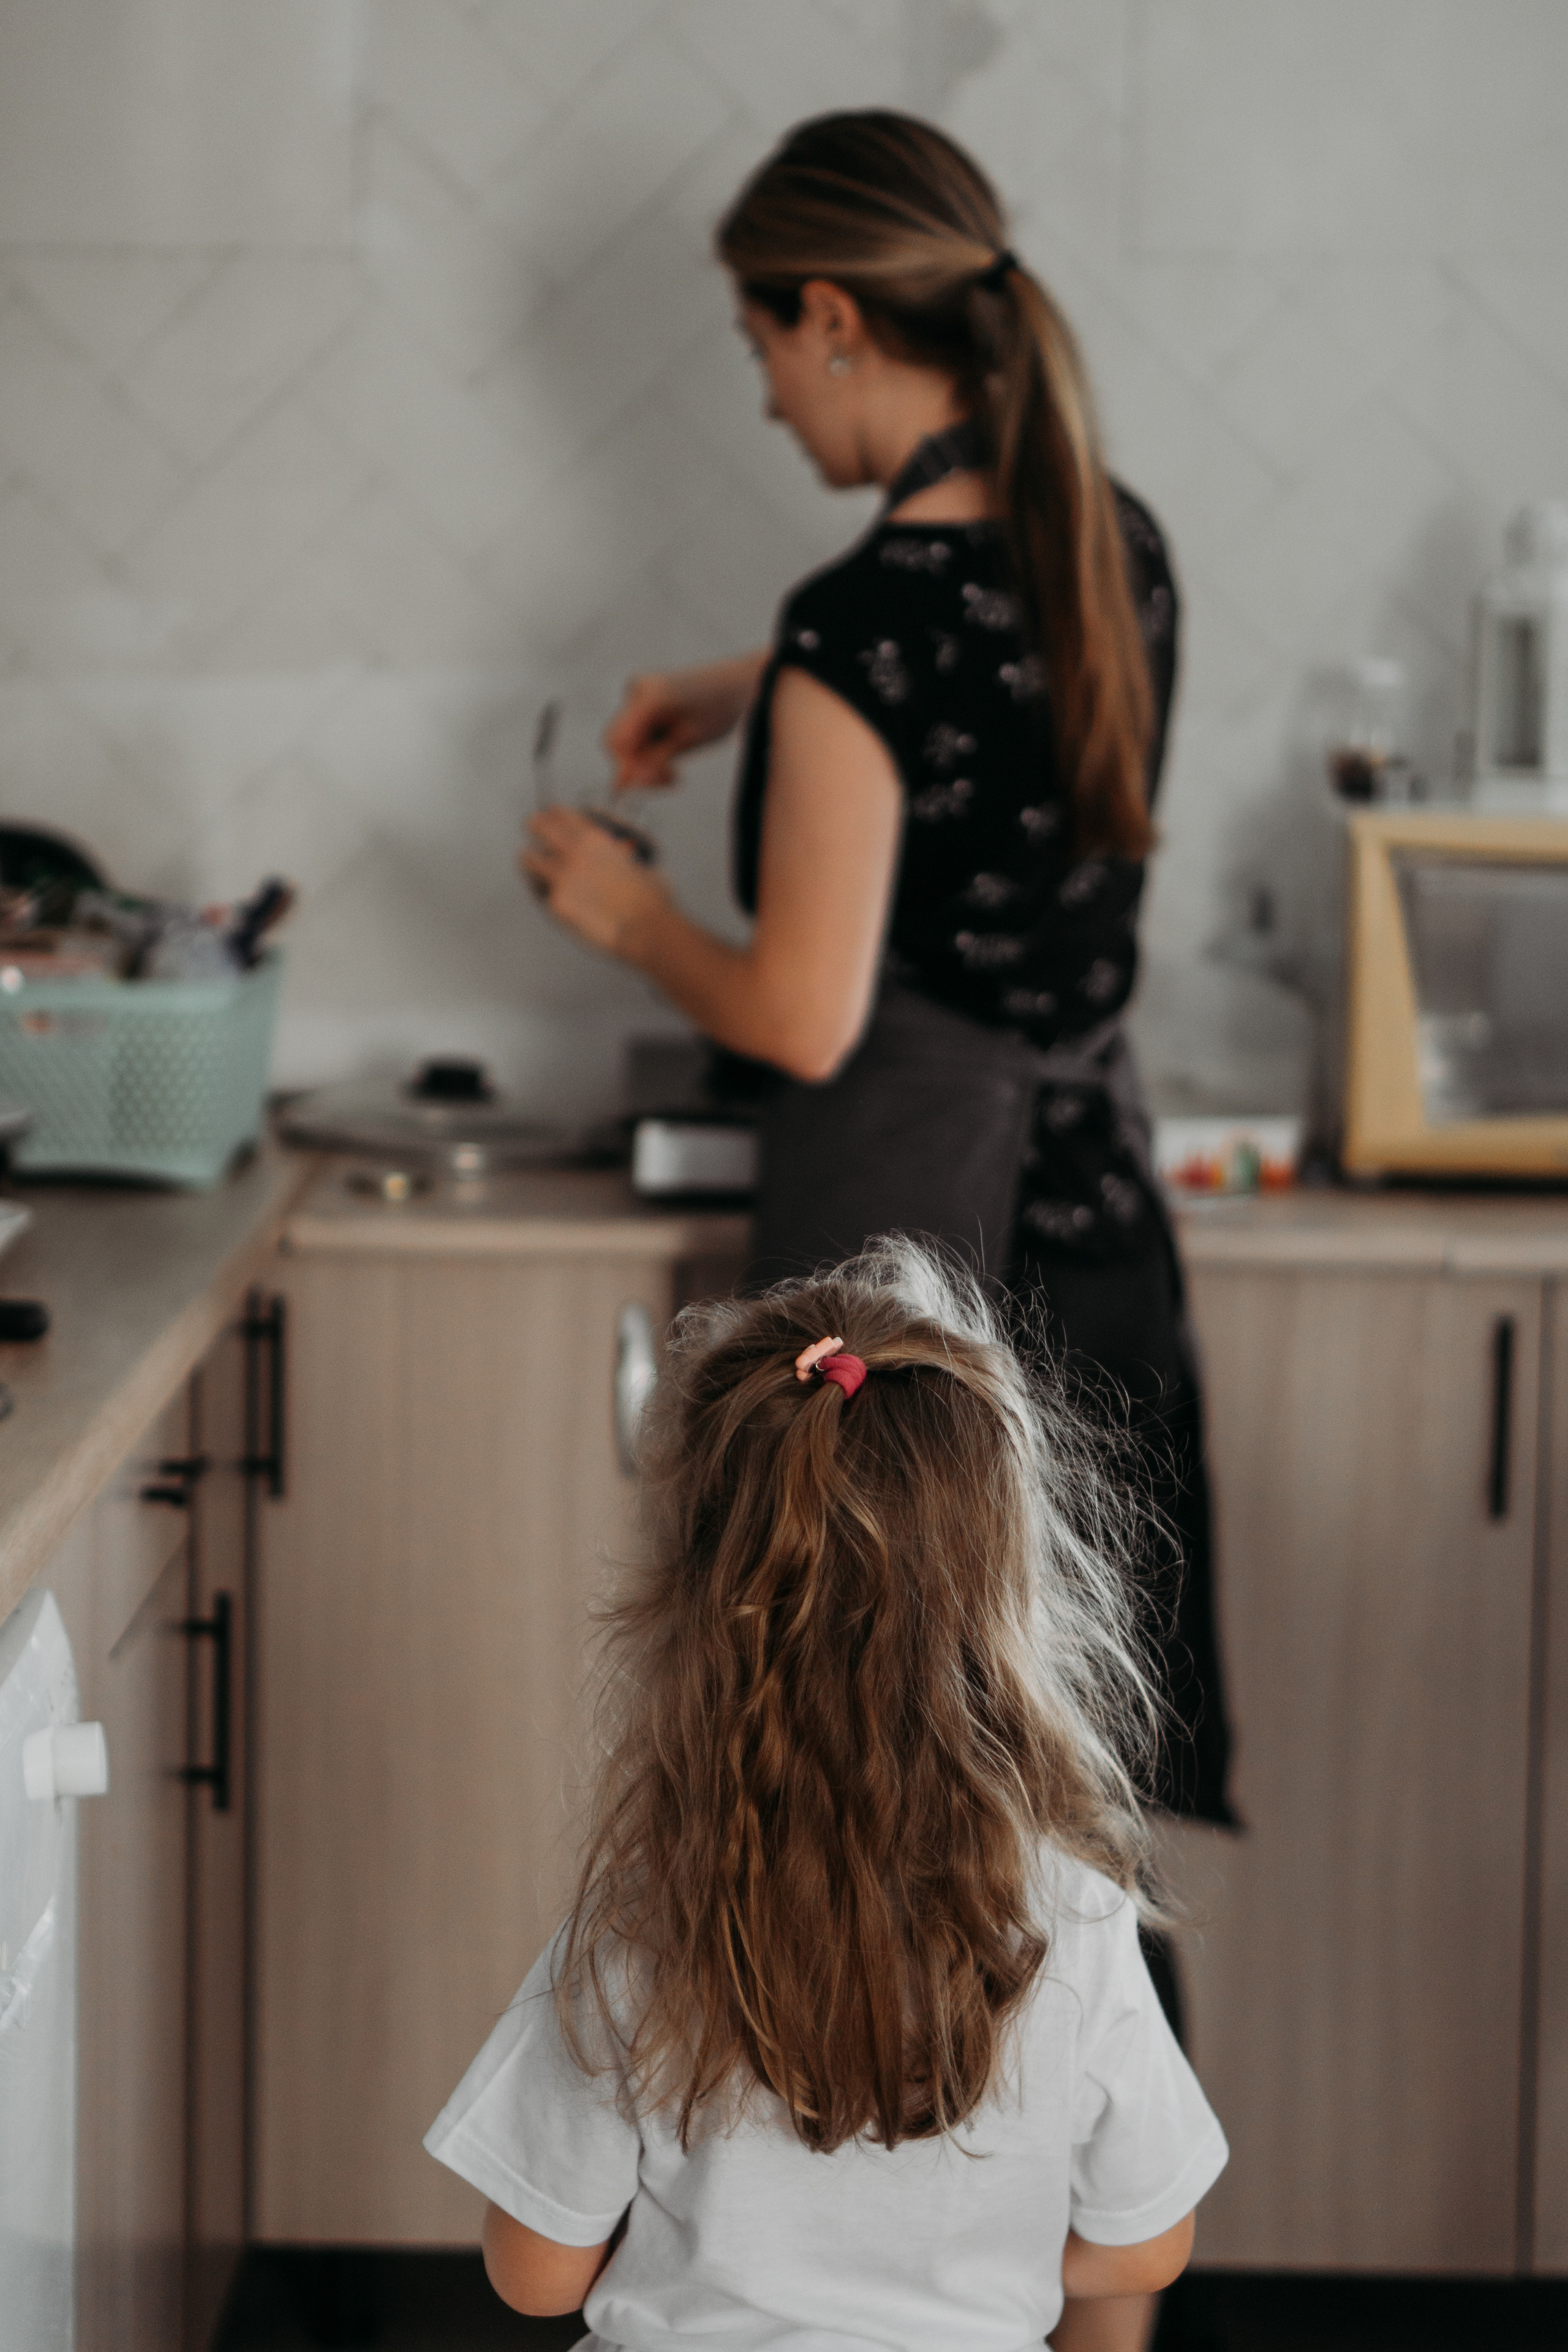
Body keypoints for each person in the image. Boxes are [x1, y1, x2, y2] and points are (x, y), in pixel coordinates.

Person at [522, 110, 1232, 1841]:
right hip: (1091, 1253)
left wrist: (623, 914)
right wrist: (751, 682)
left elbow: (799, 1014)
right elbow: (970, 667)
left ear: (832, 315)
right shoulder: (1108, 540)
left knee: (876, 1806)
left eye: (762, 339)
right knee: (1063, 1809)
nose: (765, 392)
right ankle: (1126, 2127)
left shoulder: (865, 625)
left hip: (912, 1282)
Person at [426, 1241, 1227, 2352]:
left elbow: (536, 2278)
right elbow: (1149, 2242)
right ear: (1000, 1592)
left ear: (698, 1607)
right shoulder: (1070, 1917)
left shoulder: (654, 1917)